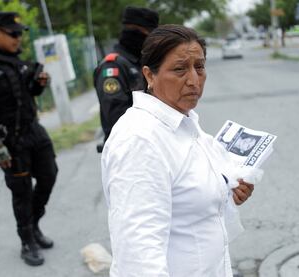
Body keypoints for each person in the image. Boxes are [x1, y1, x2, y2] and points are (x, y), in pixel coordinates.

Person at [101, 25, 255, 276]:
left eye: (200, 67)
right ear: (150, 75)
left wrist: (228, 189)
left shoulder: (183, 121)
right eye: (180, 69)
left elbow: (187, 194)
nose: (194, 80)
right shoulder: (140, 141)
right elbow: (139, 256)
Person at [0, 12, 58, 266]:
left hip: (34, 132)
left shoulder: (20, 63)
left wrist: (39, 83)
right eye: (13, 34)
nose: (18, 38)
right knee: (22, 193)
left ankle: (34, 224)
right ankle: (27, 240)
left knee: (49, 176)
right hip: (10, 141)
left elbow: (27, 94)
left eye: (20, 34)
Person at [93, 6, 159, 150]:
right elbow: (116, 117)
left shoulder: (139, 63)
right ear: (133, 31)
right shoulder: (113, 67)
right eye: (148, 35)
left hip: (149, 144)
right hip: (127, 148)